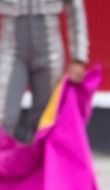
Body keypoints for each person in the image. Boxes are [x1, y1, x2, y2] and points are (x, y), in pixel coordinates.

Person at [0, 0, 88, 142]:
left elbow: (75, 6)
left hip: (49, 51)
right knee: (4, 117)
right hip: (11, 50)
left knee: (45, 121)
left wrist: (78, 57)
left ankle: (39, 164)